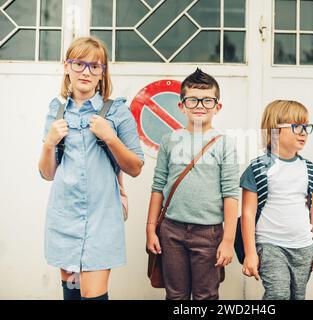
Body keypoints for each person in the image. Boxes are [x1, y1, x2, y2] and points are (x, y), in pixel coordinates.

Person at [38, 36, 144, 300]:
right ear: (66, 67)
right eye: (79, 64)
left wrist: (110, 137)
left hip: (102, 220)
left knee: (93, 295)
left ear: (102, 73)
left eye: (94, 66)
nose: (86, 72)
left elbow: (135, 167)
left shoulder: (117, 112)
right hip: (65, 220)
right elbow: (47, 173)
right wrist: (49, 143)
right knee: (72, 295)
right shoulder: (56, 112)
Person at [146, 68, 239, 300]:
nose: (200, 105)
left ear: (217, 107)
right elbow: (158, 186)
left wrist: (228, 240)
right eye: (193, 100)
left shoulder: (225, 144)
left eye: (207, 100)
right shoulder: (169, 141)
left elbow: (230, 194)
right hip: (171, 231)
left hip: (209, 233)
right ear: (182, 106)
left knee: (205, 295)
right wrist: (150, 229)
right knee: (175, 295)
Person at [240, 100, 313, 300]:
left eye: (306, 127)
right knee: (278, 295)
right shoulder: (259, 168)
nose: (303, 132)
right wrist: (250, 253)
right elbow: (248, 213)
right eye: (296, 127)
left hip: (304, 248)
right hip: (271, 246)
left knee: (297, 297)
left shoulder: (309, 169)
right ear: (274, 131)